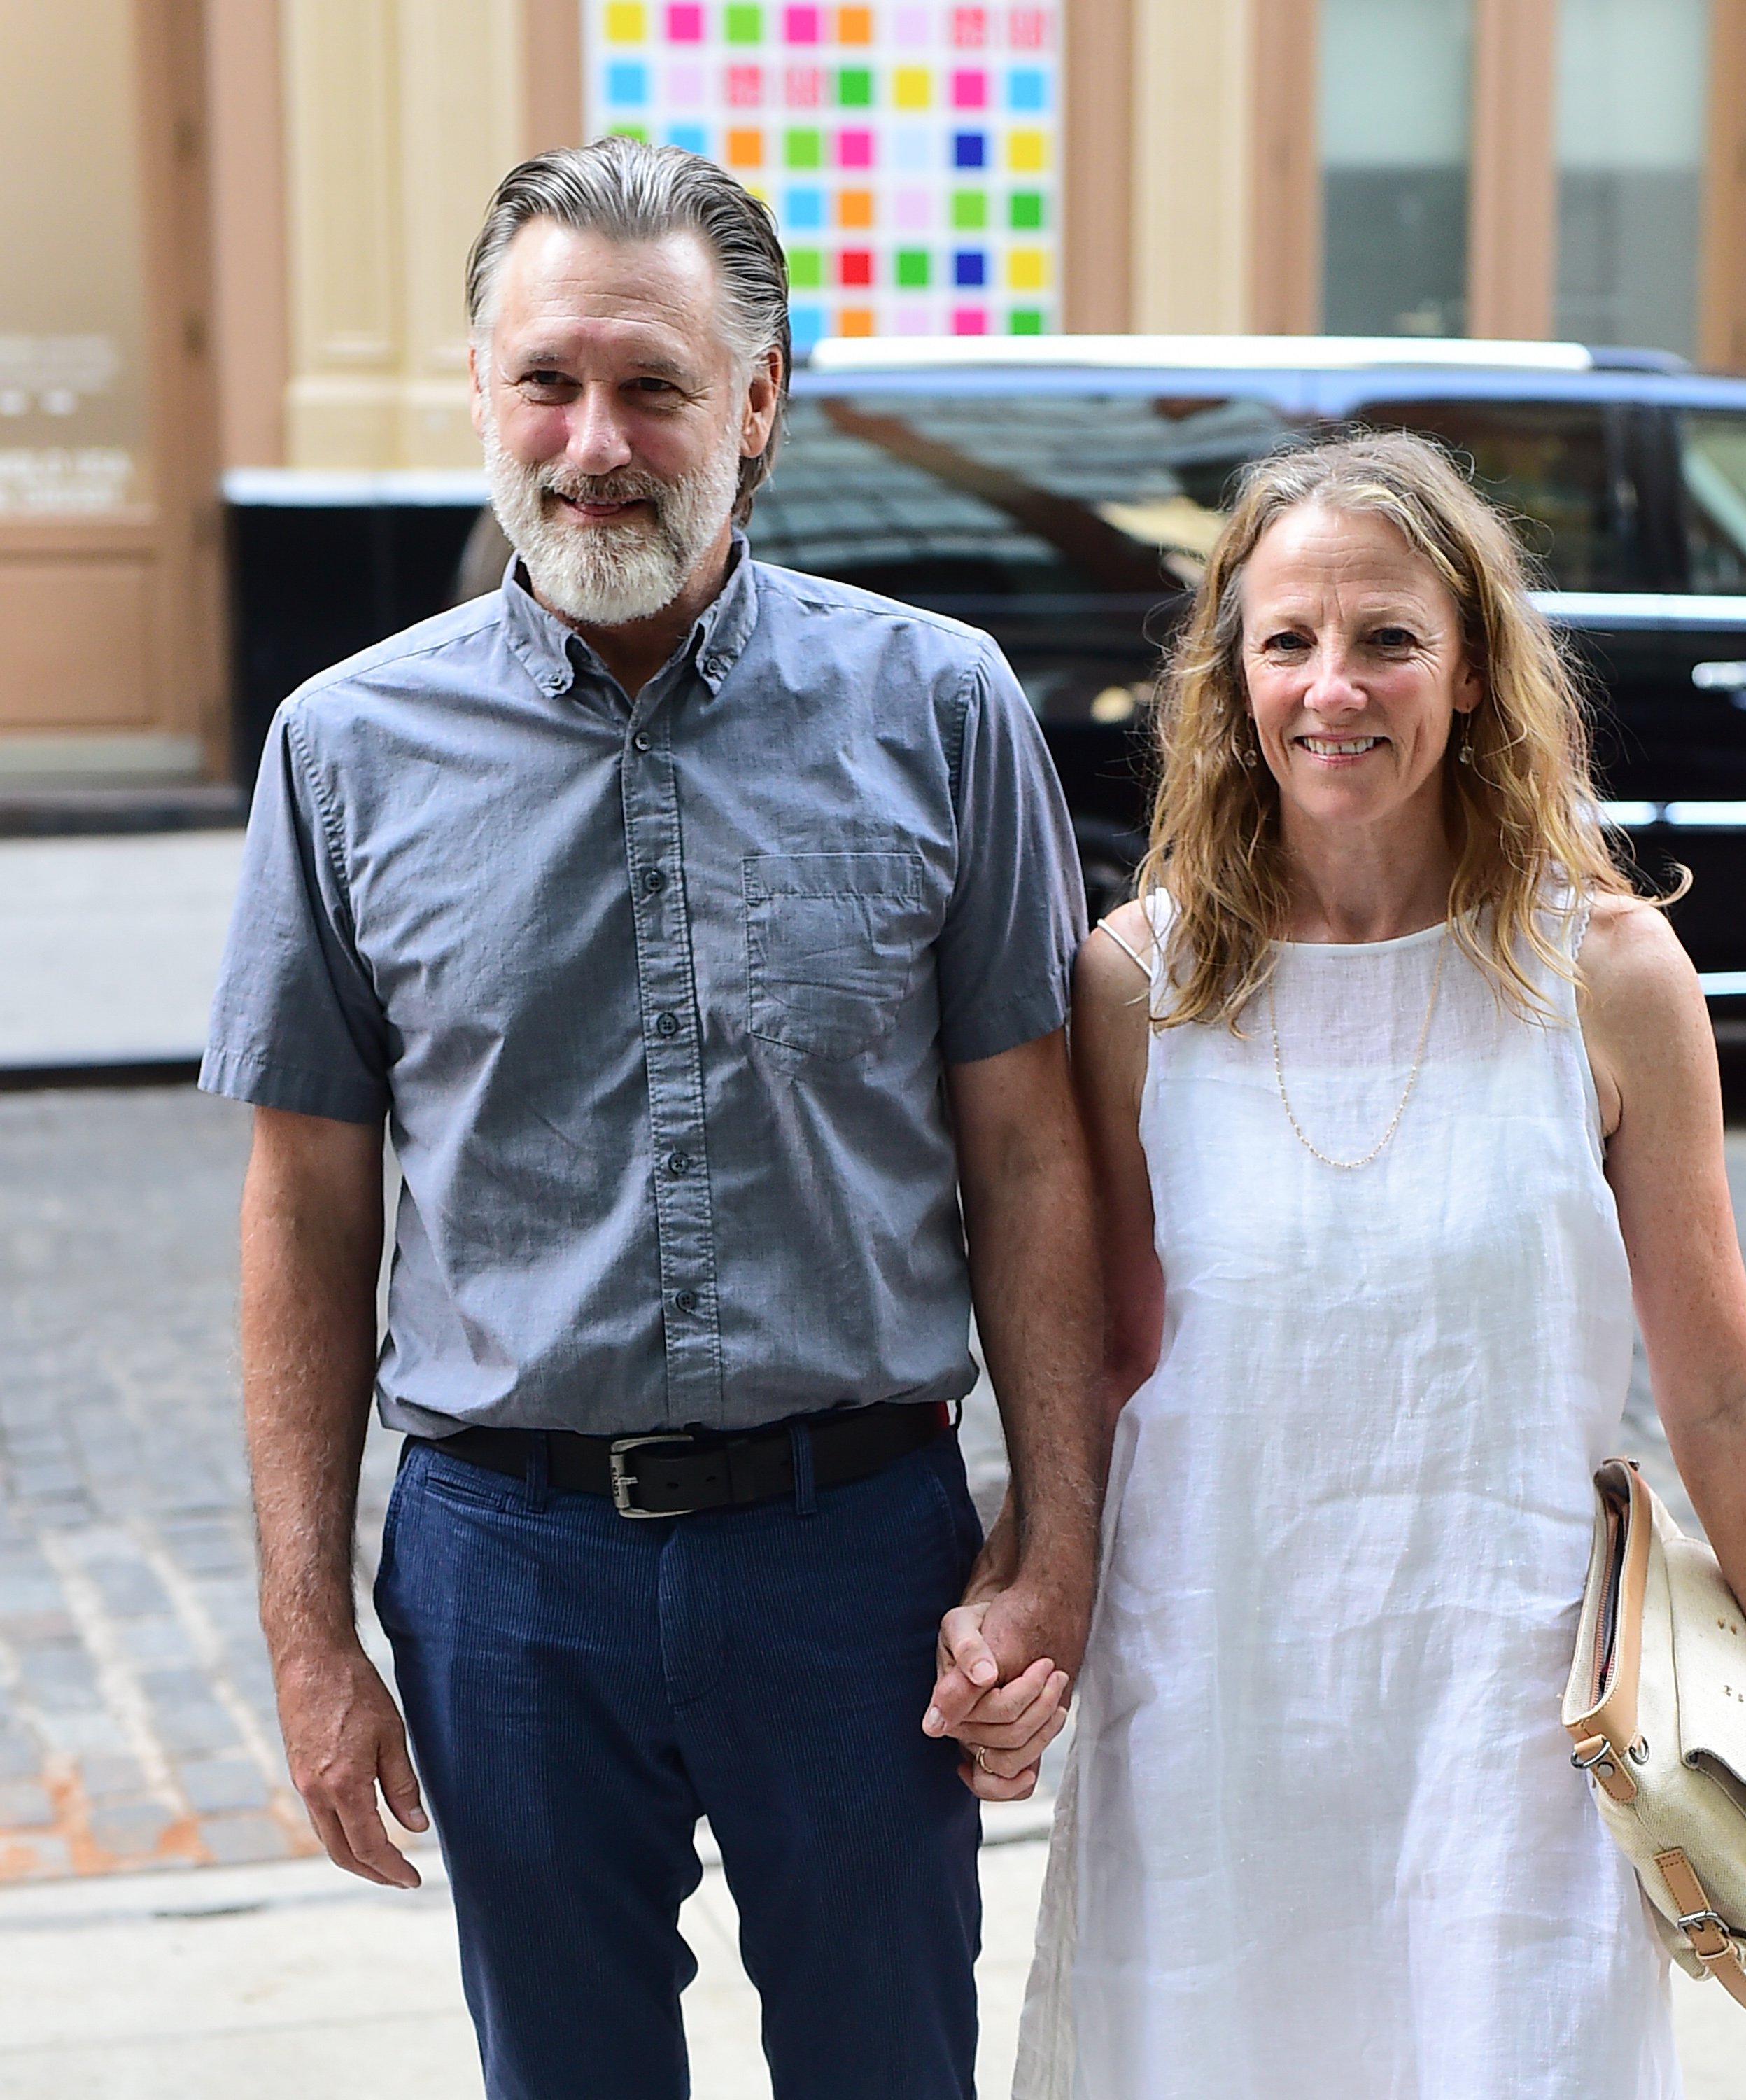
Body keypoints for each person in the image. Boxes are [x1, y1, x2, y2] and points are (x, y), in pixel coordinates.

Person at [200, 138, 1104, 2100]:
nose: (592, 441)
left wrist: (1051, 1544)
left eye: (653, 385)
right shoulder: (342, 752)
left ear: (757, 404)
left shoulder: (942, 711)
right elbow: (303, 1214)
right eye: (547, 380)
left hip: (855, 1561)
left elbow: (1034, 1156)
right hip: (504, 1577)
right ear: (478, 391)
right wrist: (305, 1630)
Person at [932, 433, 1746, 2097]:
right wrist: (1027, 1595)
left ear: (1477, 669)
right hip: (1217, 1695)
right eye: (1287, 640)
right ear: (1232, 676)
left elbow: (1715, 1374)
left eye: (1388, 639)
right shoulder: (1142, 985)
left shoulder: (1612, 976)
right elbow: (1107, 1363)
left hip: (1510, 1718)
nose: (1332, 687)